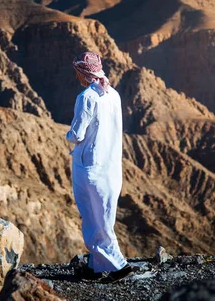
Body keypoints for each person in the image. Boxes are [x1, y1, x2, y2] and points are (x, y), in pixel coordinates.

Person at [66, 51, 135, 283]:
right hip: (110, 165)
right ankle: (96, 267)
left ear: (84, 73)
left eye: (77, 72)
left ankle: (118, 265)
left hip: (88, 166)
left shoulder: (86, 97)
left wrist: (67, 135)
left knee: (92, 217)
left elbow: (77, 134)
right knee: (103, 216)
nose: (76, 77)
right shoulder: (112, 94)